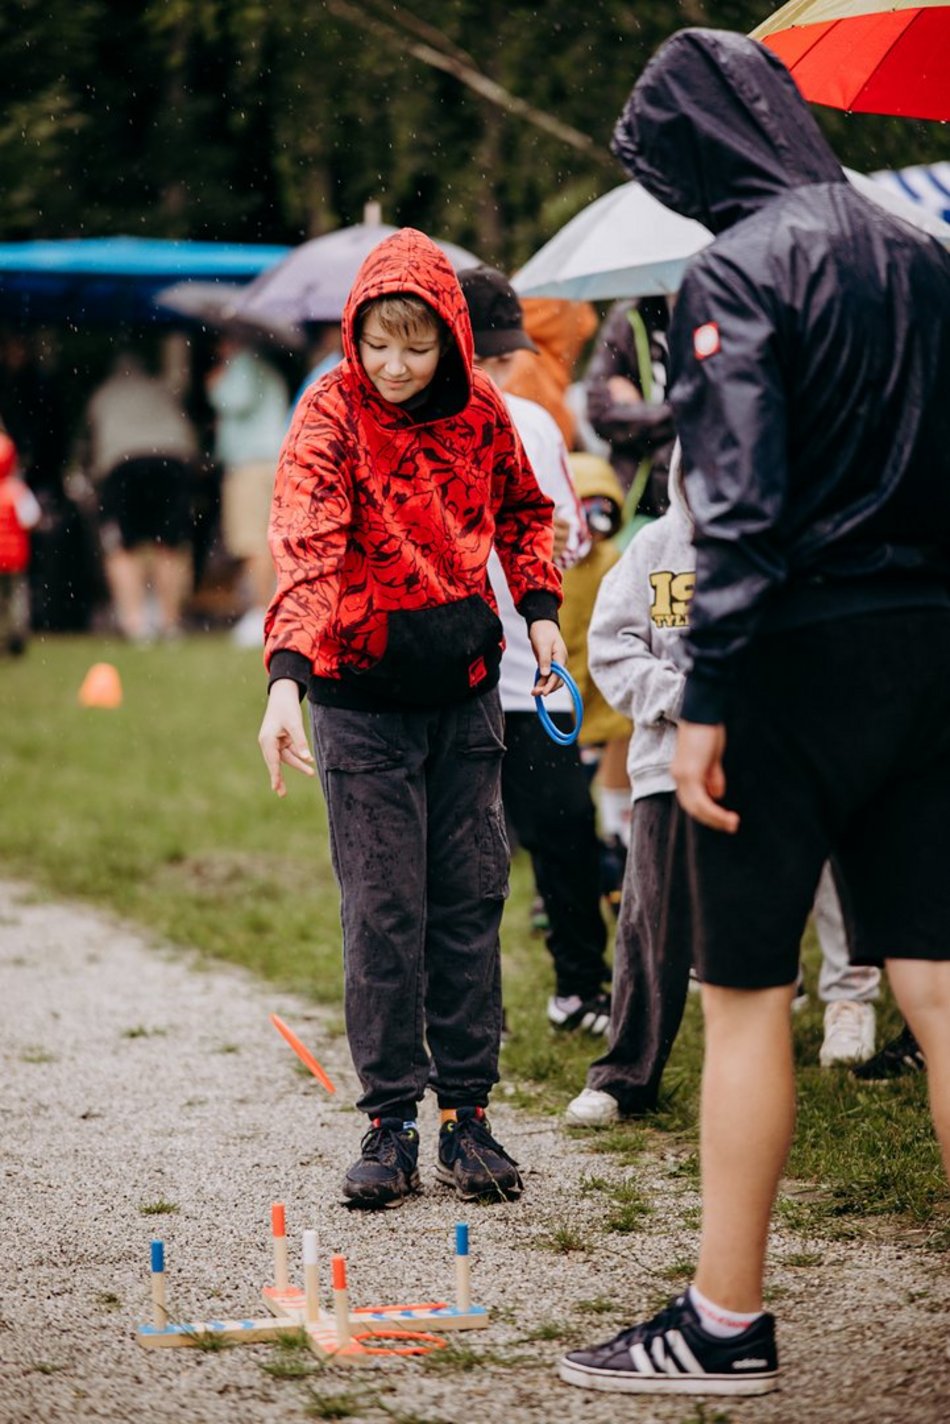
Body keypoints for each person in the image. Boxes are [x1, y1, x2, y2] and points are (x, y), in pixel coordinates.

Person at [561, 28, 950, 1397]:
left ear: (694, 151)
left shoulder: (735, 269)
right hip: (927, 646)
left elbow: (733, 503)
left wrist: (709, 695)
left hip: (789, 655)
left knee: (740, 1000)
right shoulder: (922, 253)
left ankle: (722, 1321)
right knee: (936, 979)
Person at [258, 228, 565, 1209]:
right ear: (353, 333)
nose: (393, 366)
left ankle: (466, 1114)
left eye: (417, 346)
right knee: (384, 911)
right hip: (359, 702)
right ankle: (389, 1120)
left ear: (451, 342)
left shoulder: (482, 410)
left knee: (469, 902)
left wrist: (539, 608)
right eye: (377, 343)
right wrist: (285, 681)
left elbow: (525, 512)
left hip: (464, 694)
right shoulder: (330, 413)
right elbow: (305, 549)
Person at [563, 454, 878, 1131]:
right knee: (652, 919)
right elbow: (613, 647)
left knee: (813, 891)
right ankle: (625, 1074)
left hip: (777, 764)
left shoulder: (791, 543)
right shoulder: (655, 547)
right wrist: (685, 700)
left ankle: (835, 1015)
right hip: (668, 764)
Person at [458, 264, 612, 1037]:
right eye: (480, 357)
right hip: (449, 676)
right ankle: (459, 1006)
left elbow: (574, 537)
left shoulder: (537, 425)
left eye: (501, 358)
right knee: (461, 855)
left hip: (528, 671)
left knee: (565, 830)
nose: (493, 374)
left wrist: (554, 539)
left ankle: (580, 988)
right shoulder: (411, 428)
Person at [560, 453, 633, 916]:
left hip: (609, 692)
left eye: (602, 511)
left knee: (617, 765)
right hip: (563, 690)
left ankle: (619, 849)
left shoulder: (616, 562)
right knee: (565, 798)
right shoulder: (553, 564)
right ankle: (565, 878)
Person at [83, 351, 198, 642]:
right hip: (171, 463)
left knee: (123, 548)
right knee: (169, 545)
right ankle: (169, 623)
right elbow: (189, 433)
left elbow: (90, 442)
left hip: (122, 466)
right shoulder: (161, 388)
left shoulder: (103, 393)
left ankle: (135, 624)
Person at [206, 338, 289, 647]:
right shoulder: (269, 369)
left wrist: (215, 383)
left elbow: (234, 400)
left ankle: (261, 611)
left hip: (251, 465)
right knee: (268, 538)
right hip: (271, 462)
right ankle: (269, 609)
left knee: (254, 540)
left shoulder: (243, 363)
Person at [584, 298, 675, 515]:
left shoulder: (713, 311)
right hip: (634, 493)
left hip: (692, 495)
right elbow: (599, 411)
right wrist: (678, 415)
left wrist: (639, 411)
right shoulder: (629, 317)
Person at [0, 429, 40, 655]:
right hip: (15, 559)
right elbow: (31, 518)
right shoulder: (17, 491)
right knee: (16, 596)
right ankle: (16, 636)